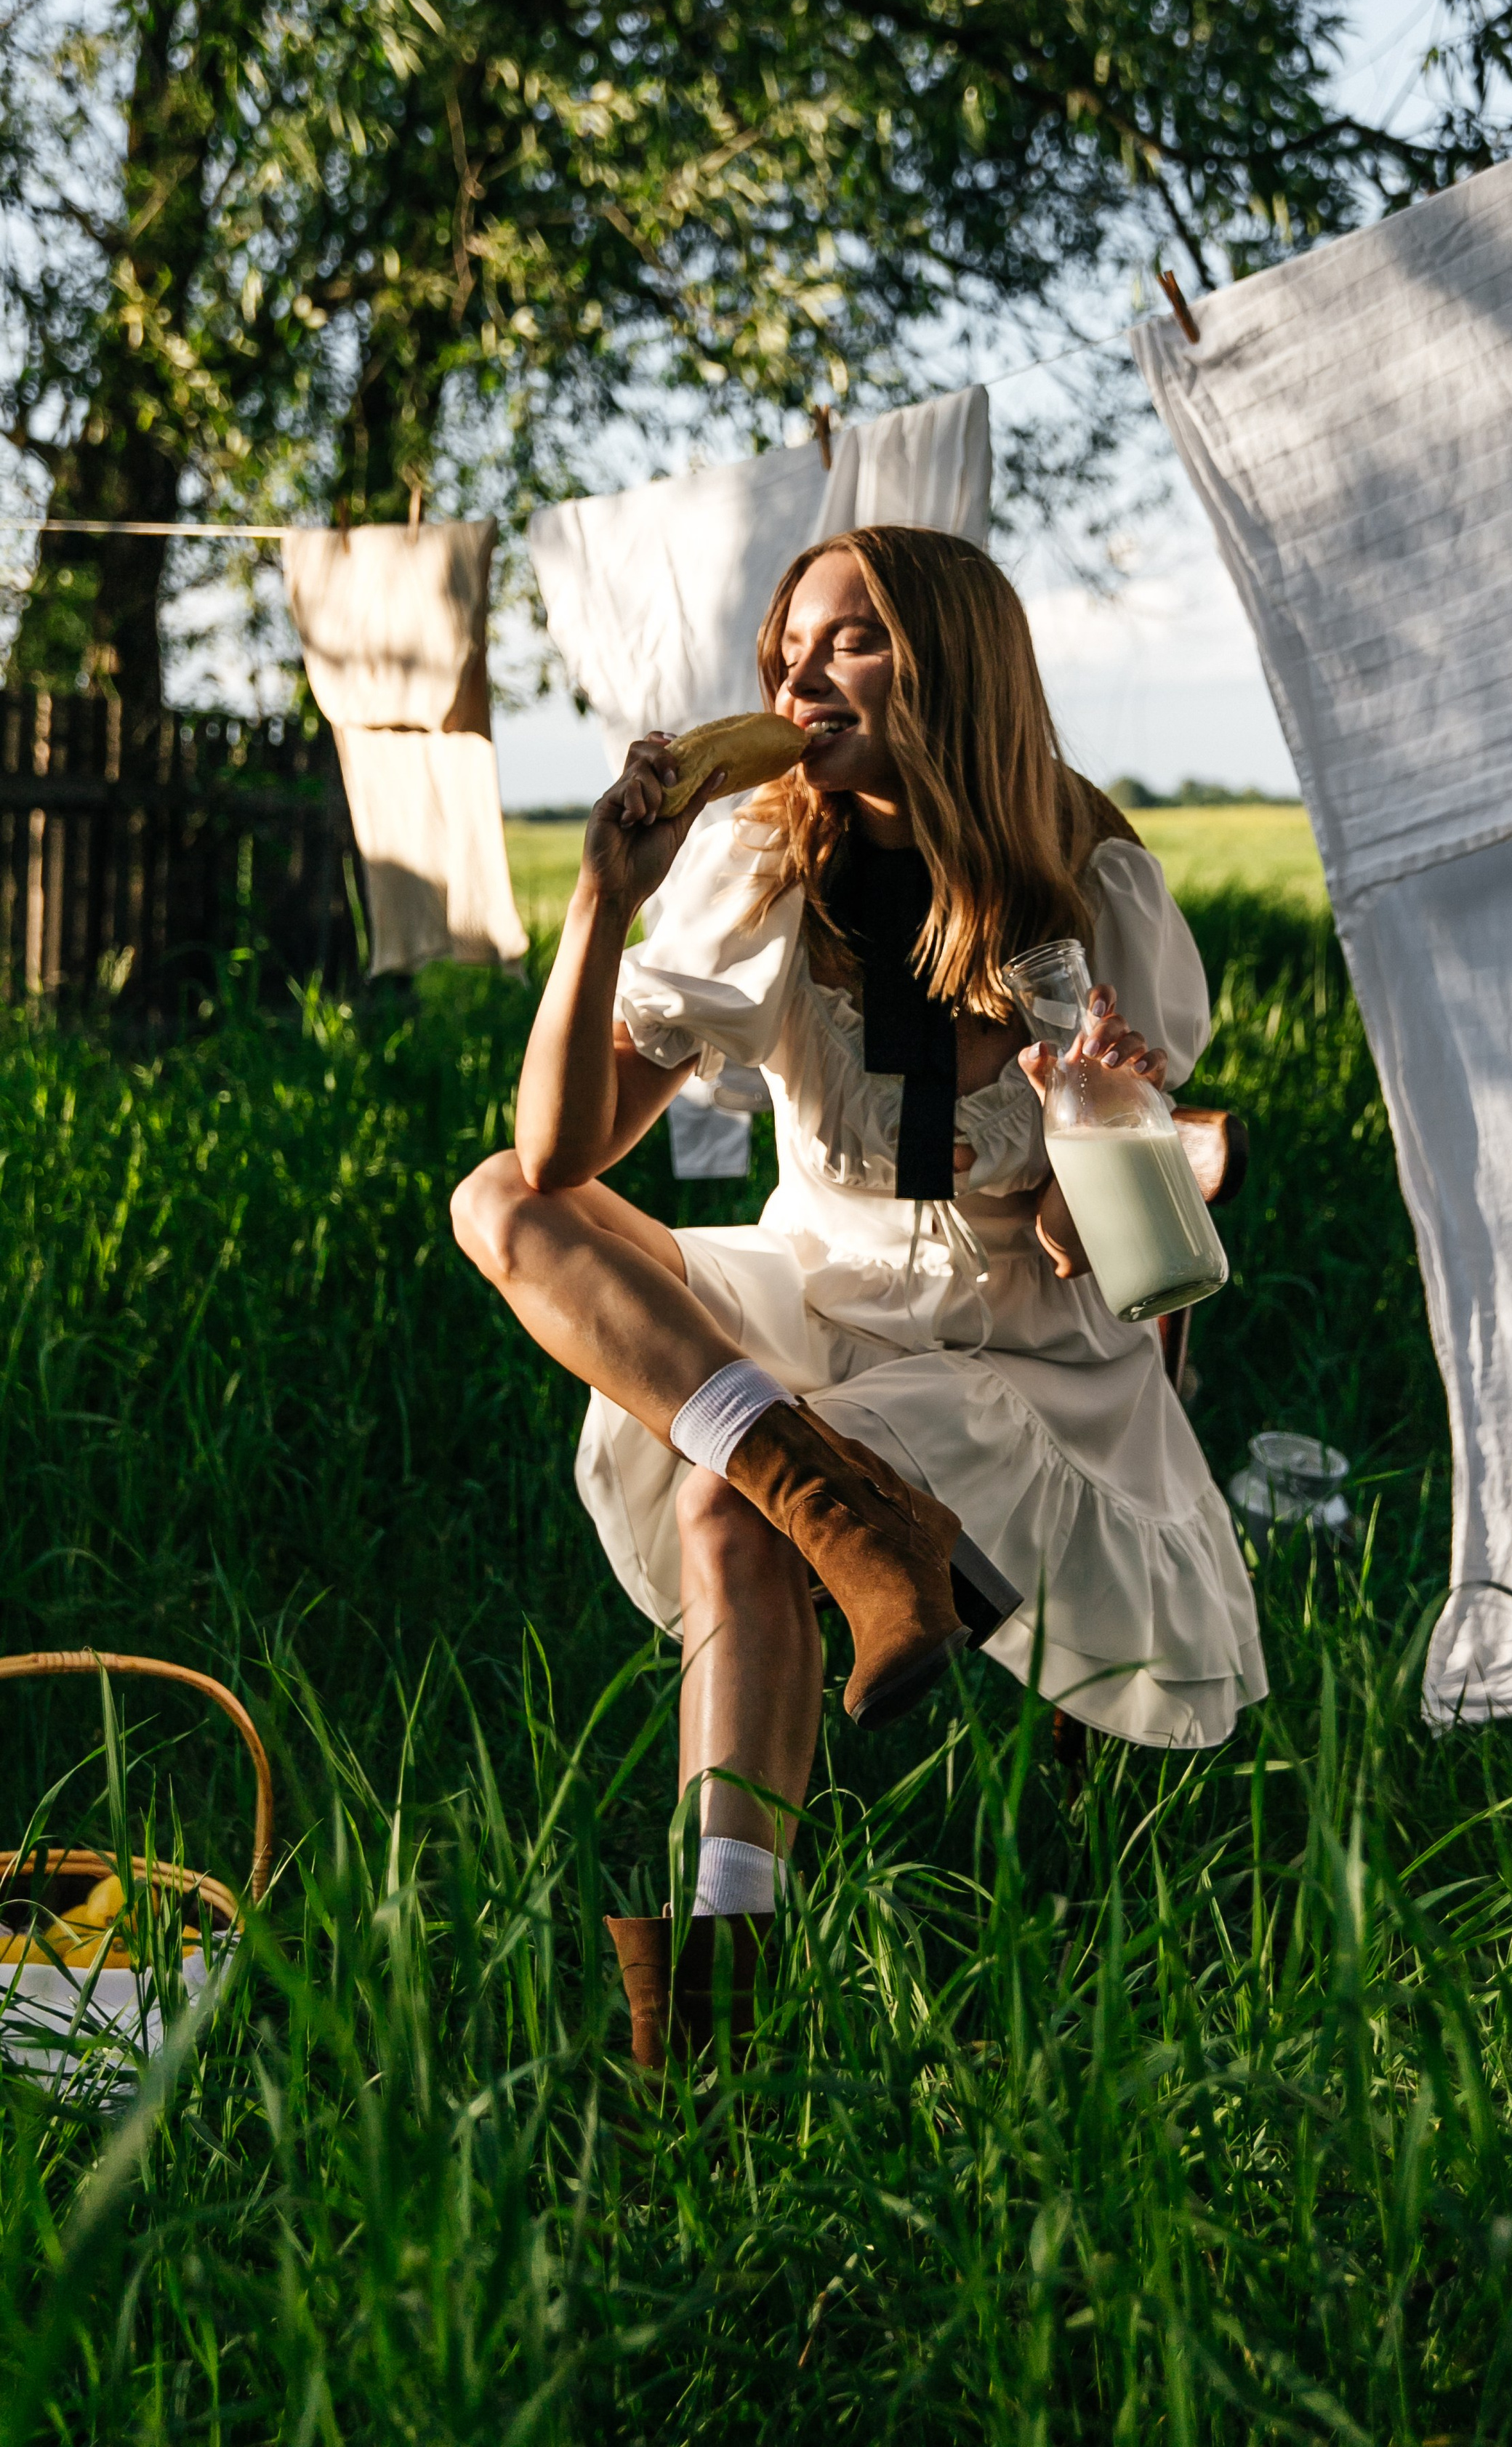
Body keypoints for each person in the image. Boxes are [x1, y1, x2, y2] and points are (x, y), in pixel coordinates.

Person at [451, 525, 1266, 1948]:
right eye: (787, 648)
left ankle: (724, 1939)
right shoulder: (763, 863)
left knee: (725, 1502)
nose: (797, 677)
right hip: (821, 1296)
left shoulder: (1091, 886)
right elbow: (560, 1154)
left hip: (1013, 1351)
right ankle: (829, 1495)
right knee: (498, 1199)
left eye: (851, 640)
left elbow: (1087, 1250)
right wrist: (602, 899)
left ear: (950, 663)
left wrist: (1096, 1113)